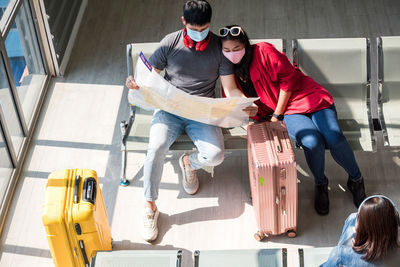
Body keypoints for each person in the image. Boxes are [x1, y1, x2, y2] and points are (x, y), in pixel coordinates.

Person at [125, 2, 257, 242]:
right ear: (183, 22)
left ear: (210, 24)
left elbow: (229, 88)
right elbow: (148, 77)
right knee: (155, 147)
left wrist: (243, 104)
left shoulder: (219, 47)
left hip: (202, 111)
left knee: (216, 155)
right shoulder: (170, 43)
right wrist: (134, 83)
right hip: (169, 108)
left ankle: (188, 163)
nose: (200, 33)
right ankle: (150, 206)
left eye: (205, 28)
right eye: (195, 28)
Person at [219, 25, 366, 215]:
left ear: (245, 45)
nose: (232, 54)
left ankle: (356, 179)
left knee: (334, 137)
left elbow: (288, 79)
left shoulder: (264, 50)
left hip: (305, 97)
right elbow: (241, 103)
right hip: (289, 111)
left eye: (236, 49)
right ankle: (321, 183)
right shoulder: (229, 73)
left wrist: (277, 115)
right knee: (311, 142)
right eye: (227, 50)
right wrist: (253, 114)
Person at [321, 195, 400, 266]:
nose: (356, 219)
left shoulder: (340, 254)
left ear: (361, 227)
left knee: (351, 218)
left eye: (358, 218)